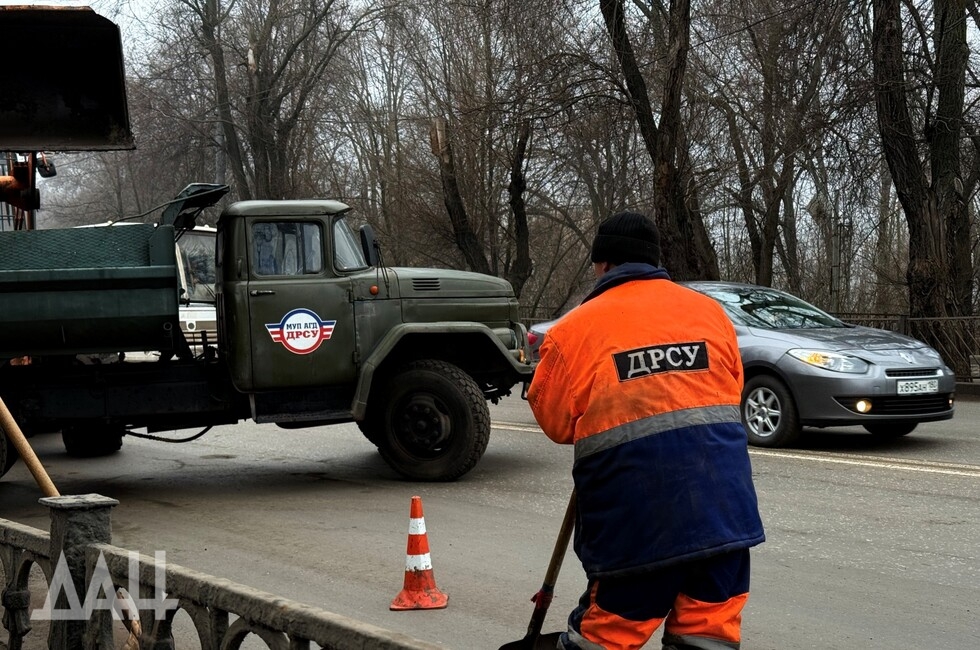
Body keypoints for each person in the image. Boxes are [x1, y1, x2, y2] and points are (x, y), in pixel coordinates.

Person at [527, 211, 765, 650]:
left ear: (602, 264)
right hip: (723, 518)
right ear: (655, 261)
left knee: (605, 640)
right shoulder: (711, 315)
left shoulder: (574, 330)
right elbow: (726, 395)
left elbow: (558, 424)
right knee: (707, 638)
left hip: (637, 529)